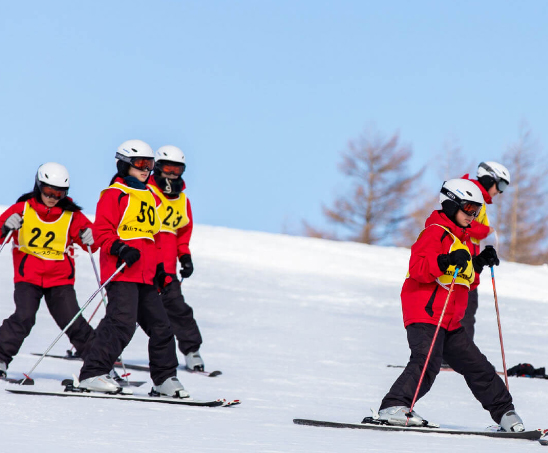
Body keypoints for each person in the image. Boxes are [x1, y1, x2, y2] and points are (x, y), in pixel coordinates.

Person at [374, 178, 524, 433]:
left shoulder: (461, 239)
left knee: (478, 366)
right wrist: (444, 260)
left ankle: (506, 415)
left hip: (450, 321)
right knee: (427, 363)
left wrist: (478, 264)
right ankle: (394, 406)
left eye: (476, 210)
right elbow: (418, 269)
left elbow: (465, 280)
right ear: (451, 203)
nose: (472, 215)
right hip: (426, 313)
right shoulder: (435, 232)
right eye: (468, 208)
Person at [78, 139, 186, 396]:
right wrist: (121, 248)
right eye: (140, 163)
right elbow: (102, 231)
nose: (145, 169)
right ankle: (92, 373)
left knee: (162, 326)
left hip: (147, 276)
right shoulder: (114, 194)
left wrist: (161, 270)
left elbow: (154, 238)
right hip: (123, 271)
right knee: (122, 323)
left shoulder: (150, 197)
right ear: (124, 164)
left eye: (149, 164)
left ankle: (165, 380)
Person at [0, 162, 96, 378]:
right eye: (48, 192)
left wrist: (89, 236)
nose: (53, 197)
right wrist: (6, 226)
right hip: (28, 277)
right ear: (38, 187)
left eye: (59, 193)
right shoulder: (22, 208)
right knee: (23, 317)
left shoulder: (71, 215)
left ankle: (98, 366)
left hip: (60, 279)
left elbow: (91, 239)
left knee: (73, 322)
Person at [147, 145, 205, 371]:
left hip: (168, 270)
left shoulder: (182, 200)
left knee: (179, 310)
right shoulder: (147, 193)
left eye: (177, 169)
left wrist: (186, 257)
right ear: (158, 167)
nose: (172, 174)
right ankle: (102, 351)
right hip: (146, 266)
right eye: (168, 168)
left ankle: (192, 352)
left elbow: (183, 233)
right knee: (128, 311)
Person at [459, 161, 511, 341]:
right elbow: (463, 222)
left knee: (468, 308)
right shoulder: (472, 194)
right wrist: (484, 230)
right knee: (464, 308)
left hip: (470, 262)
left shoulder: (478, 198)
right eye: (501, 184)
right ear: (490, 179)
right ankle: (454, 356)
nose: (500, 191)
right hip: (460, 262)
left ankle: (458, 355)